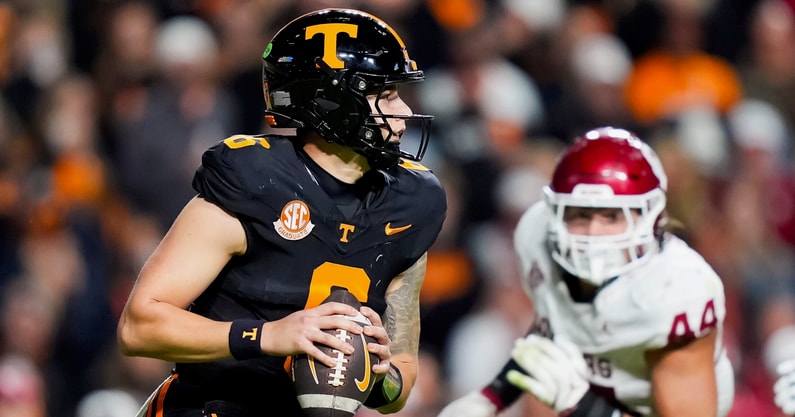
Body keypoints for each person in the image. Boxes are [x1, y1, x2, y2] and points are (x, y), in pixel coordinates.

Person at [116, 8, 446, 417]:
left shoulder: (411, 201)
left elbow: (402, 379)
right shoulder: (255, 182)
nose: (404, 113)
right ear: (332, 99)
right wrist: (269, 336)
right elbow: (139, 327)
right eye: (385, 94)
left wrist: (380, 375)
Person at [437, 127, 734, 417]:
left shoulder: (676, 289)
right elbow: (554, 326)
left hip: (654, 403)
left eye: (611, 216)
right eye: (580, 215)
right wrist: (491, 399)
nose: (593, 234)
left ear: (650, 218)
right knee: (547, 383)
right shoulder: (536, 235)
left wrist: (584, 408)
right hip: (588, 381)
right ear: (556, 213)